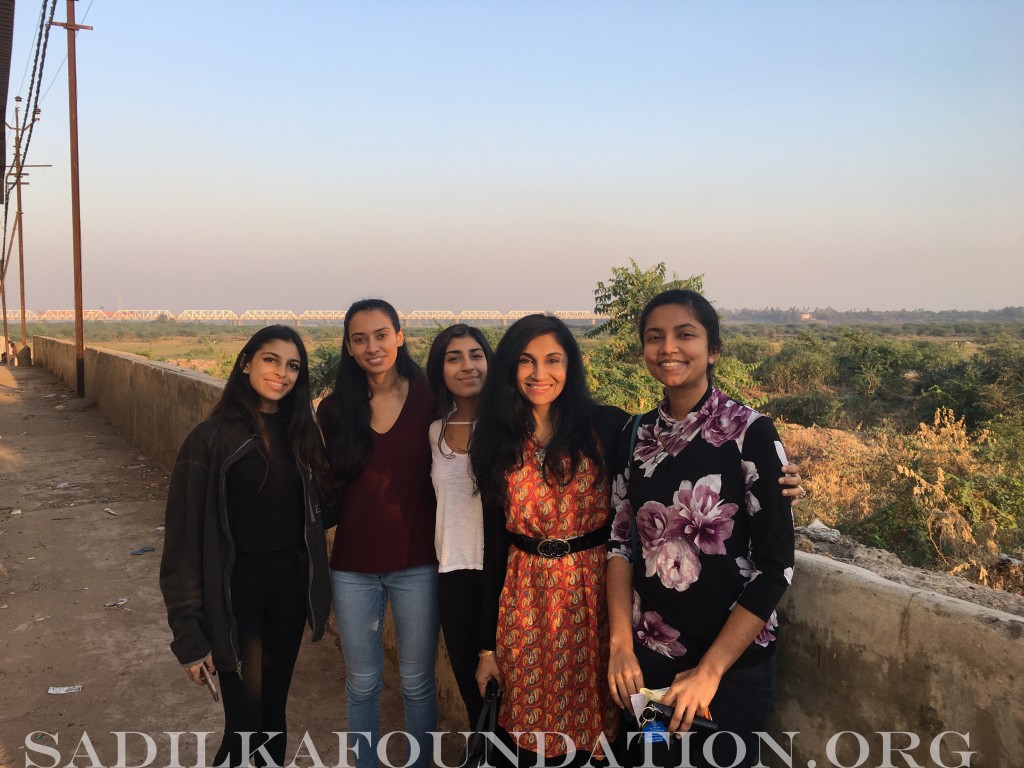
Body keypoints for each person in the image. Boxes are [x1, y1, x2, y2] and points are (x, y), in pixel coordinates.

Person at [606, 289, 796, 768]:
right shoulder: (634, 435)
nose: (668, 348)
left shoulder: (751, 433)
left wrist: (709, 672)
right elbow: (619, 544)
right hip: (648, 662)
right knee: (648, 762)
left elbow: (776, 568)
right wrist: (621, 647)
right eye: (655, 337)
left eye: (684, 335)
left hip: (730, 671)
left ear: (712, 349)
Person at [159, 325, 334, 768]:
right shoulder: (210, 438)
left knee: (273, 715)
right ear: (245, 363)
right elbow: (182, 543)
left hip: (288, 591)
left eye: (293, 365)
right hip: (236, 595)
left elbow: (321, 511)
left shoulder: (301, 432)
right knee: (243, 724)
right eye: (271, 360)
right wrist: (189, 635)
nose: (282, 373)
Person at [472, 314, 630, 767]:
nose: (540, 374)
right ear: (510, 369)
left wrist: (769, 473)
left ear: (570, 365)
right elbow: (494, 548)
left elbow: (675, 451)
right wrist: (486, 649)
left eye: (553, 360)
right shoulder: (498, 438)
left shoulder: (605, 426)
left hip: (595, 596)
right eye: (527, 361)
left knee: (596, 727)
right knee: (526, 727)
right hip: (525, 601)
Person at [317, 299, 438, 768]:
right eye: (360, 338)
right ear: (348, 347)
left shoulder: (432, 400)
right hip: (352, 567)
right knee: (362, 682)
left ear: (400, 336)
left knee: (416, 682)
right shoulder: (334, 410)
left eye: (381, 334)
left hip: (418, 563)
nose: (373, 346)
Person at [425, 323, 494, 728]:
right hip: (453, 573)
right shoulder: (435, 431)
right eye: (454, 357)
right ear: (441, 369)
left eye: (475, 355)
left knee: (514, 690)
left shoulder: (512, 428)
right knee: (473, 693)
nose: (466, 366)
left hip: (504, 573)